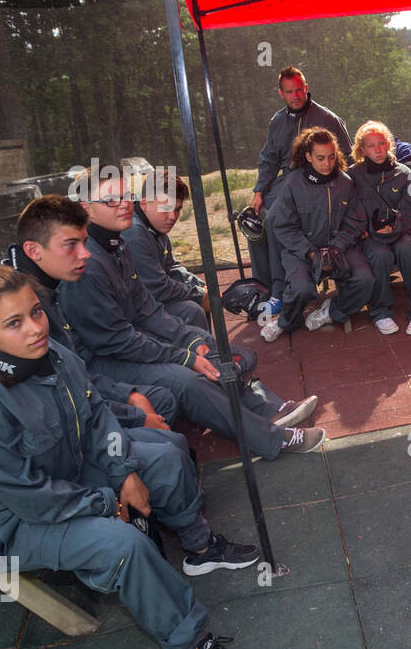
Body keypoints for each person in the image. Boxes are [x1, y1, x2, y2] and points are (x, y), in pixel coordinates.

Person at [0, 266, 262, 649]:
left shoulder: (50, 354)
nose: (35, 328)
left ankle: (199, 546)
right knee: (123, 545)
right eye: (14, 323)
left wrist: (126, 472)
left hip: (64, 473)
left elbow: (95, 414)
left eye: (37, 312)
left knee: (168, 451)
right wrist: (105, 500)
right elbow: (25, 496)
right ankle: (193, 647)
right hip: (8, 524)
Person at [59, 171, 324, 458]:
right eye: (111, 199)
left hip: (125, 341)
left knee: (206, 347)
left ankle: (268, 410)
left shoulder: (115, 245)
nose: (123, 204)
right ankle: (274, 440)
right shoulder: (88, 263)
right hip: (103, 361)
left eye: (125, 195)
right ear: (86, 208)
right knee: (188, 379)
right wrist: (183, 356)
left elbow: (147, 308)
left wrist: (189, 342)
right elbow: (115, 341)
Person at [4, 194, 178, 432]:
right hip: (58, 428)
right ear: (34, 251)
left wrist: (128, 395)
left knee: (163, 402)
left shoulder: (45, 287)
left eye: (85, 243)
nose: (85, 254)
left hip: (82, 390)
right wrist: (133, 414)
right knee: (168, 446)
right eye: (71, 245)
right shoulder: (24, 305)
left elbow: (71, 371)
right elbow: (63, 394)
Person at [249, 66, 354, 318]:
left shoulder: (328, 118)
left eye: (299, 89)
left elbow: (348, 156)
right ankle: (272, 288)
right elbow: (268, 160)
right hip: (288, 180)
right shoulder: (277, 121)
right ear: (281, 93)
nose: (295, 96)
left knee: (283, 220)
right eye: (289, 92)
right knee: (264, 220)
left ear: (306, 88)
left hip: (322, 180)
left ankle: (298, 278)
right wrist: (259, 190)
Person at [263, 126, 375, 341]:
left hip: (340, 247)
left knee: (366, 280)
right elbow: (284, 227)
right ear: (308, 156)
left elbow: (357, 221)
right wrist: (311, 253)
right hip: (302, 250)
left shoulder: (345, 182)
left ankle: (332, 311)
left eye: (332, 157)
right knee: (301, 289)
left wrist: (336, 247)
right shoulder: (293, 183)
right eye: (321, 158)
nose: (327, 164)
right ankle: (286, 320)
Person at [346, 120, 411, 335]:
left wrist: (395, 226)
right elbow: (351, 210)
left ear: (389, 144)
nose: (378, 149)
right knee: (379, 255)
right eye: (371, 145)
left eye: (382, 143)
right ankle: (381, 311)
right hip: (371, 236)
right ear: (362, 149)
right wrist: (367, 230)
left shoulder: (406, 173)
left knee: (408, 250)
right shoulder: (352, 176)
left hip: (403, 231)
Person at [124, 175, 209, 331]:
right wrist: (199, 294)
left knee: (203, 299)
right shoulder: (135, 233)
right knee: (192, 311)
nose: (172, 217)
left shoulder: (155, 226)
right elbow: (158, 288)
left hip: (146, 301)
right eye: (166, 208)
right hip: (128, 315)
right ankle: (203, 354)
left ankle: (208, 351)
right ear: (144, 204)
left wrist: (201, 286)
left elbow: (172, 267)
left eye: (177, 209)